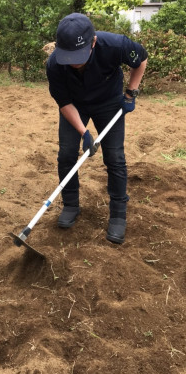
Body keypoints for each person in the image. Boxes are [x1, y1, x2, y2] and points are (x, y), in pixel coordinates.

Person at [46, 13, 148, 244]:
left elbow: (141, 59)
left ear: (93, 42)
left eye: (78, 56)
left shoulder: (115, 45)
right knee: (66, 154)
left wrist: (131, 92)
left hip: (110, 103)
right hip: (75, 104)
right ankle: (71, 204)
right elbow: (64, 103)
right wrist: (84, 132)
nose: (74, 61)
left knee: (114, 157)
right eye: (68, 56)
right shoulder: (54, 64)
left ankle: (118, 215)